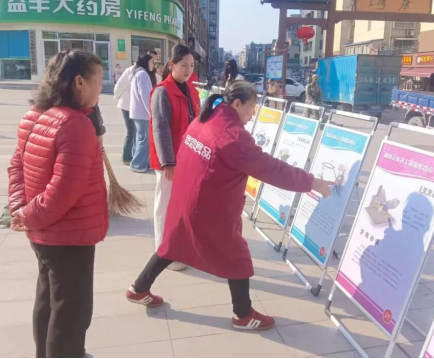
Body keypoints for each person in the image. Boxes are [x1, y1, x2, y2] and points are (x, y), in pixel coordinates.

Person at [126, 81, 334, 330]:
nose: (253, 114)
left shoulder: (206, 118)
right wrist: (312, 182)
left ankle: (138, 288)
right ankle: (243, 315)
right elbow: (272, 169)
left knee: (173, 243)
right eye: (251, 107)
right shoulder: (232, 136)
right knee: (237, 256)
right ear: (236, 104)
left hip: (186, 198)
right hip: (207, 207)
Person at [7, 49, 108, 358]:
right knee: (71, 315)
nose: (101, 88)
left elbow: (16, 166)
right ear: (79, 82)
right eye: (99, 80)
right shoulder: (75, 125)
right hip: (69, 237)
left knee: (48, 301)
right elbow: (63, 191)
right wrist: (27, 215)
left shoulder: (34, 115)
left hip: (43, 234)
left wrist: (20, 210)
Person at [149, 44, 200, 271]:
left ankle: (178, 247)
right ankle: (164, 251)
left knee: (180, 206)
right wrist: (167, 162)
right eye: (183, 65)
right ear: (171, 65)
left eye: (191, 66)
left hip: (187, 159)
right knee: (165, 206)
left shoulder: (190, 90)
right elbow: (160, 128)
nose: (188, 70)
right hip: (168, 162)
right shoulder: (162, 91)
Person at [130, 54, 155, 173]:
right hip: (142, 114)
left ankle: (140, 162)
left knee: (139, 138)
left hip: (138, 113)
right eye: (152, 62)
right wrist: (152, 113)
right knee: (143, 140)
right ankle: (138, 164)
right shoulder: (143, 75)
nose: (153, 65)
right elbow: (146, 96)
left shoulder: (137, 73)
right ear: (146, 62)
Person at [114, 61, 136, 165]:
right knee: (131, 131)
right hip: (127, 105)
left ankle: (133, 155)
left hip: (135, 107)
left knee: (136, 132)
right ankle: (126, 157)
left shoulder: (145, 72)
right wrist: (116, 97)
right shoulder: (130, 71)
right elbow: (119, 86)